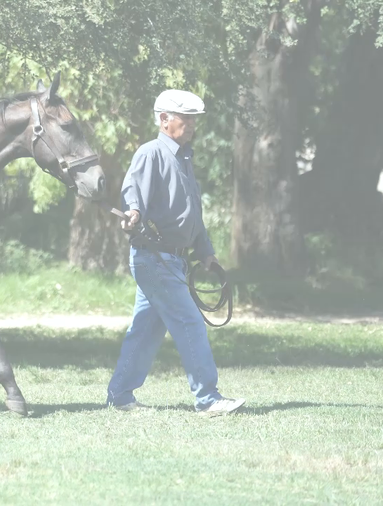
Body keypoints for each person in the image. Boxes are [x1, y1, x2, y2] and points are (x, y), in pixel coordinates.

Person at [105, 89, 245, 416]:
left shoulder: (183, 157)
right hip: (156, 258)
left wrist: (205, 252)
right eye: (186, 118)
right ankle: (208, 399)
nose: (193, 124)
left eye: (195, 118)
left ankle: (120, 395)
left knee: (146, 330)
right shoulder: (150, 153)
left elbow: (191, 213)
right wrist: (134, 213)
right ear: (164, 119)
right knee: (190, 322)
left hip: (172, 259)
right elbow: (132, 195)